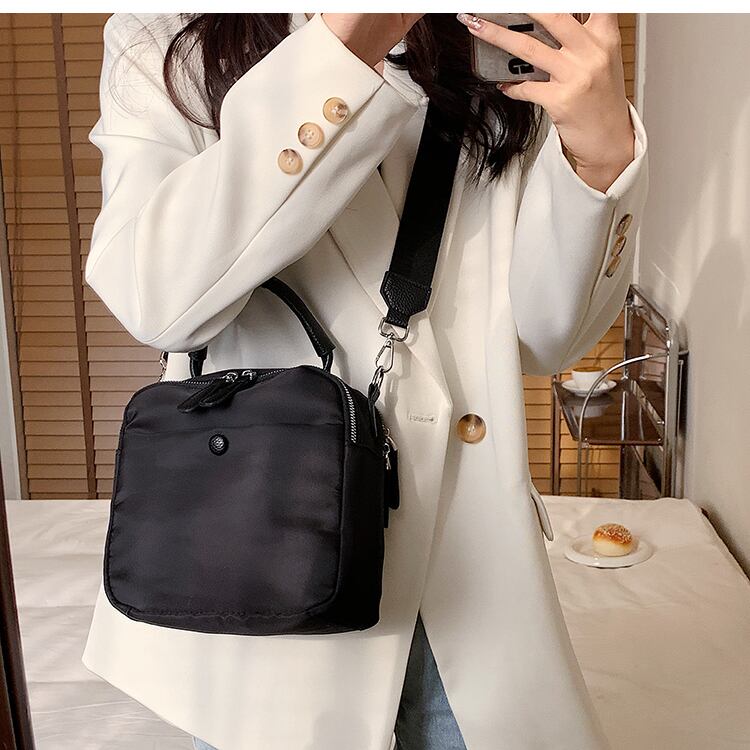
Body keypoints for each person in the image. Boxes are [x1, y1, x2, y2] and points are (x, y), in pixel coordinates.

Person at [81, 12, 648, 750]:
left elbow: (546, 342)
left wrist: (599, 160)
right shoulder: (166, 33)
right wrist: (346, 48)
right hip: (269, 573)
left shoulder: (482, 32)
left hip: (472, 578)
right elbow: (155, 301)